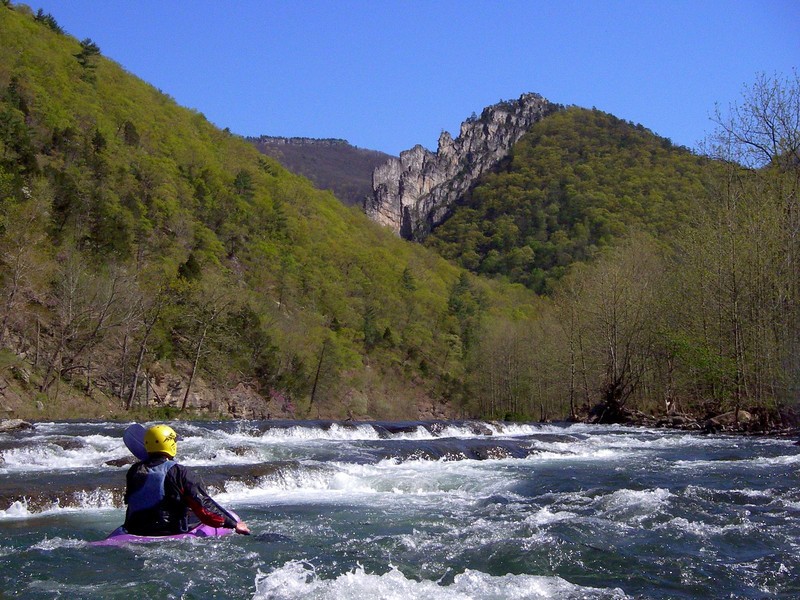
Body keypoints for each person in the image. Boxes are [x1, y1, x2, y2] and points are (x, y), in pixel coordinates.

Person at [123, 424, 250, 536]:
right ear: (171, 444)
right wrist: (232, 524)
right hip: (169, 529)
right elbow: (204, 508)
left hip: (135, 528)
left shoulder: (134, 470)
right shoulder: (180, 472)